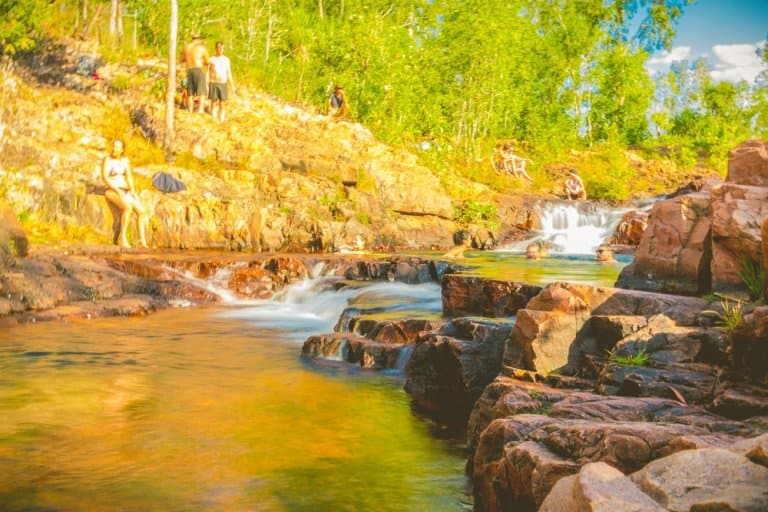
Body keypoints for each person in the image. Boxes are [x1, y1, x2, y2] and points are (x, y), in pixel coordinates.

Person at [102, 139, 149, 248]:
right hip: (111, 190)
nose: (115, 148)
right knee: (127, 208)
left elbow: (129, 176)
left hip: (125, 190)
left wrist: (132, 190)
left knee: (141, 211)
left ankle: (141, 240)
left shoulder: (125, 160)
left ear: (122, 149)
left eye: (117, 147)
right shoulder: (107, 160)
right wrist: (117, 190)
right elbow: (105, 177)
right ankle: (122, 238)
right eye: (114, 146)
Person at [208, 42, 235, 123]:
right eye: (218, 48)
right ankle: (213, 119)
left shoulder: (226, 60)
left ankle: (221, 120)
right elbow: (207, 72)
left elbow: (229, 72)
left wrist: (232, 84)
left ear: (223, 49)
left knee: (222, 103)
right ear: (215, 48)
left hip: (223, 83)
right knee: (213, 102)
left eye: (221, 48)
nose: (220, 49)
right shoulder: (211, 59)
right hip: (213, 82)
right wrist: (207, 83)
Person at [182, 35, 209, 113]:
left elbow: (182, 59)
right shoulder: (201, 48)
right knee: (202, 91)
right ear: (198, 39)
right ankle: (200, 110)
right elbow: (207, 61)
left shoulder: (186, 47)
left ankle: (190, 110)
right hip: (198, 69)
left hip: (189, 70)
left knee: (190, 92)